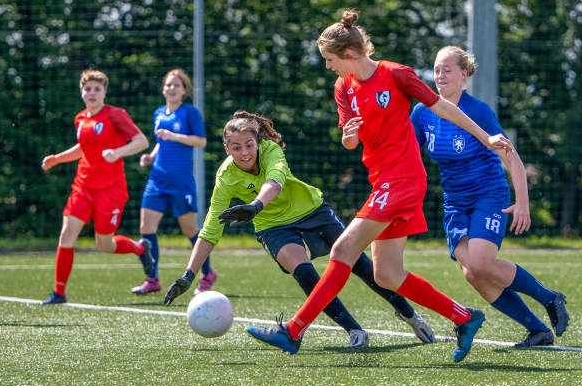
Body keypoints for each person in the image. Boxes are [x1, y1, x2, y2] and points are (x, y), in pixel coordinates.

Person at [245, 9, 515, 362]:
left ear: (350, 54)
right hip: (382, 182)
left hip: (403, 180)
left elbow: (444, 109)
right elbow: (349, 142)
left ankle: (293, 331)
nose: (328, 66)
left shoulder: (395, 74)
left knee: (342, 251)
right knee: (387, 275)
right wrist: (348, 136)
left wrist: (485, 137)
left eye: (329, 59)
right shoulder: (343, 86)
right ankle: (464, 317)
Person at [163, 110, 436, 348]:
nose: (245, 153)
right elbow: (211, 227)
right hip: (272, 226)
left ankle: (409, 314)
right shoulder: (226, 176)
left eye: (249, 145)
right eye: (236, 148)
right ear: (227, 149)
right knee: (304, 271)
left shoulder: (271, 150)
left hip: (312, 211)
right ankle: (354, 331)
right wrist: (188, 275)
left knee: (361, 265)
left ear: (258, 142)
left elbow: (276, 180)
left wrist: (256, 205)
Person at [410, 46, 569, 347]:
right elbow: (406, 153)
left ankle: (550, 299)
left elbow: (512, 158)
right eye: (437, 69)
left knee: (482, 263)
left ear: (464, 74)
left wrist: (522, 202)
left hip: (488, 194)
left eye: (448, 69)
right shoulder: (422, 112)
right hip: (455, 202)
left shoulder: (479, 111)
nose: (440, 76)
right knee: (473, 274)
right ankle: (538, 330)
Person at [40, 69, 154, 305]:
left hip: (110, 190)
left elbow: (142, 141)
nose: (91, 93)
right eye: (87, 88)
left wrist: (118, 152)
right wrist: (57, 158)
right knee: (66, 234)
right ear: (82, 92)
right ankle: (59, 293)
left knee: (104, 245)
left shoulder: (115, 115)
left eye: (97, 89)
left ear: (104, 92)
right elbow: (84, 148)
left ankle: (140, 248)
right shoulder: (80, 119)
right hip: (83, 187)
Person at [132, 68, 216, 295]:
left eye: (176, 85)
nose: (171, 88)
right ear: (163, 89)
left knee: (189, 231)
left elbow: (200, 141)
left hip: (181, 183)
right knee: (145, 228)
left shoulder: (189, 112)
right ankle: (152, 279)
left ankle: (207, 273)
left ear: (184, 90)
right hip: (157, 180)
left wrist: (173, 136)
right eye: (168, 84)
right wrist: (151, 156)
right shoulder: (158, 112)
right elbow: (162, 141)